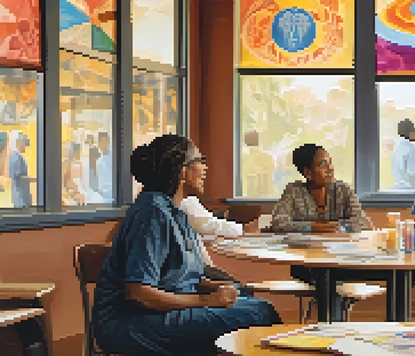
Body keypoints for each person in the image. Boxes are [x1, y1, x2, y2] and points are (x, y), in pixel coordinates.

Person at [93, 134, 281, 356]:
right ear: (182, 171)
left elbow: (176, 274)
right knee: (259, 313)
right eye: (200, 160)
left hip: (156, 315)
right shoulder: (153, 213)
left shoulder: (175, 212)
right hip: (130, 324)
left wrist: (215, 287)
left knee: (249, 300)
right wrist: (207, 300)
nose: (205, 167)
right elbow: (139, 292)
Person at [271, 143, 373, 233]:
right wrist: (312, 227)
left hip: (338, 249)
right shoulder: (293, 191)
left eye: (330, 163)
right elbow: (278, 223)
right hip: (305, 251)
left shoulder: (343, 190)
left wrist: (336, 227)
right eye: (322, 164)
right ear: (308, 173)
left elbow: (363, 222)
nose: (330, 169)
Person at [391, 118, 415, 189]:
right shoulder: (412, 150)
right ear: (411, 133)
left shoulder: (396, 149)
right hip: (410, 192)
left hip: (397, 191)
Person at [8, 131, 33, 208]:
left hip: (22, 196)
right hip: (20, 198)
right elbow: (17, 177)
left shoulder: (18, 156)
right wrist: (34, 179)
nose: (25, 146)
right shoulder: (15, 157)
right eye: (23, 143)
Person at [95, 131, 112, 203]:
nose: (104, 144)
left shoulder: (113, 159)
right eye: (101, 141)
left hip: (111, 195)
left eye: (106, 141)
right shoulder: (99, 161)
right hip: (103, 196)